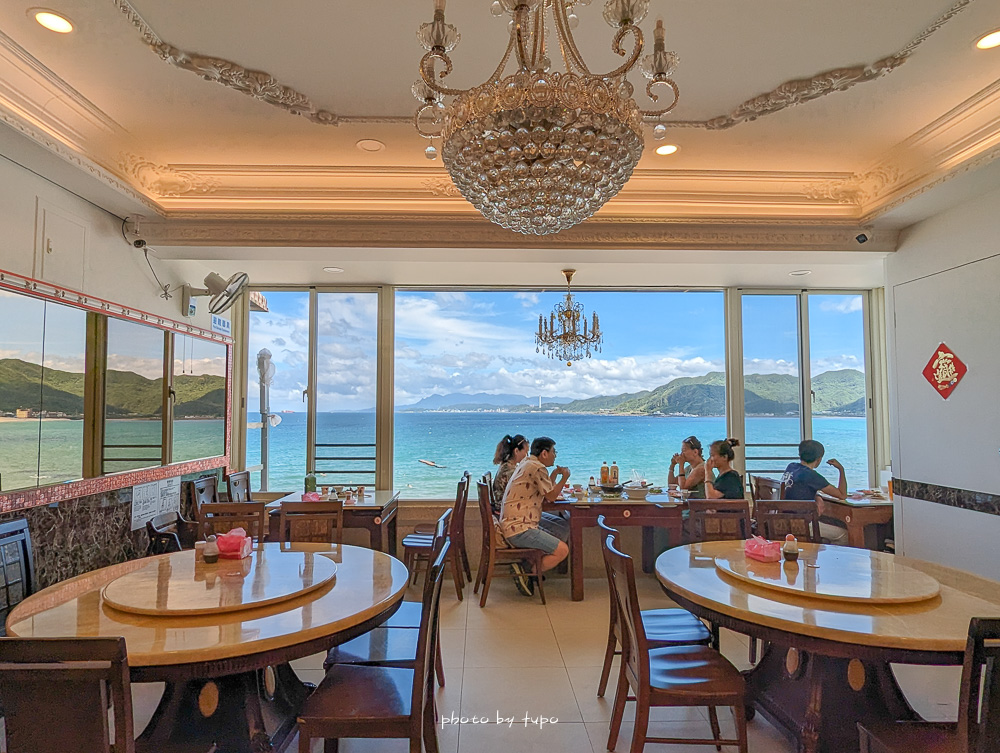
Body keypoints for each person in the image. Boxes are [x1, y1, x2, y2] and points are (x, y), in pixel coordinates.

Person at [499, 436, 570, 596]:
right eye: (553, 451)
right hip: (519, 529)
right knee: (563, 551)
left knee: (563, 526)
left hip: (517, 521)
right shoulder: (536, 467)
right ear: (544, 453)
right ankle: (529, 572)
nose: (555, 455)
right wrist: (564, 477)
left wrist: (553, 475)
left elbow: (545, 490)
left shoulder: (528, 463)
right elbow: (551, 497)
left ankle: (534, 559)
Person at [781, 439, 849, 545]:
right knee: (843, 534)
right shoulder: (812, 476)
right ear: (819, 459)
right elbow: (842, 494)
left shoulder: (791, 467)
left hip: (784, 519)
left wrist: (816, 495)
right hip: (802, 524)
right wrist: (841, 469)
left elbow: (797, 487)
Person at [492, 434, 528, 514]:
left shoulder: (506, 465)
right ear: (516, 451)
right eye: (526, 452)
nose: (527, 456)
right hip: (507, 511)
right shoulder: (510, 470)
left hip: (503, 507)